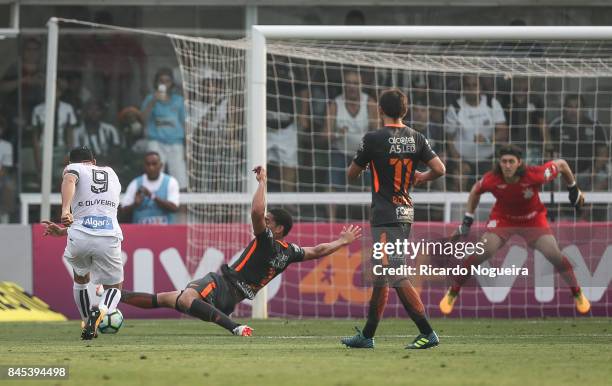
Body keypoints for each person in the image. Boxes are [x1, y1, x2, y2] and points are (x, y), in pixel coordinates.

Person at [119, 166, 362, 336]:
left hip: (222, 284)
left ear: (277, 229)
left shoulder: (267, 241)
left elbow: (256, 212)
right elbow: (317, 250)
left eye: (269, 221)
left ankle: (234, 327)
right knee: (164, 298)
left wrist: (263, 183)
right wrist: (341, 242)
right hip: (230, 300)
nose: (264, 222)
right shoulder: (289, 252)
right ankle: (115, 296)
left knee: (185, 298)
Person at [341, 88, 446, 350]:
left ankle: (427, 332)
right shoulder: (417, 137)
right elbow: (440, 169)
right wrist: (420, 177)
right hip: (405, 211)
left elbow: (351, 174)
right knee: (382, 275)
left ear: (379, 110)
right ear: (405, 111)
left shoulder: (373, 138)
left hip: (385, 213)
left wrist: (366, 163)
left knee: (395, 272)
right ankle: (366, 335)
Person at [439, 145, 590, 315]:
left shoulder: (535, 175)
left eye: (511, 161)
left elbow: (561, 164)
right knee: (482, 251)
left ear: (519, 163)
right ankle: (453, 291)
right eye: (504, 161)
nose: (507, 165)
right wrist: (467, 219)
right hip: (503, 219)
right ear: (499, 163)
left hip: (532, 220)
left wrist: (573, 188)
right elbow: (475, 190)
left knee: (554, 255)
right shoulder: (492, 179)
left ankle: (577, 293)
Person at [41, 146, 124, 340]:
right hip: (108, 234)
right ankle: (101, 310)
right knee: (114, 288)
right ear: (93, 161)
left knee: (80, 279)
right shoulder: (111, 173)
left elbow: (70, 179)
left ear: (70, 162)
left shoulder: (73, 168)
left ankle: (87, 320)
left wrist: (65, 210)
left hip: (79, 236)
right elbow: (98, 208)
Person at [445, 74, 508, 191]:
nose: (471, 89)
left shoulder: (491, 103)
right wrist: (459, 163)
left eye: (475, 85)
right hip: (463, 160)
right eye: (468, 86)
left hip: (488, 159)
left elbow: (503, 132)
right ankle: (461, 209)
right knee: (459, 182)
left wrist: (487, 140)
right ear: (463, 88)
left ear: (481, 87)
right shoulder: (455, 107)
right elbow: (449, 138)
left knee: (492, 187)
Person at [325, 69, 378, 190]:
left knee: (373, 183)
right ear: (344, 85)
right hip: (340, 151)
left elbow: (378, 133)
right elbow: (324, 135)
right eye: (348, 83)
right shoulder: (335, 104)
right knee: (332, 183)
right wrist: (337, 134)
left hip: (364, 153)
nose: (352, 87)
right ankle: (331, 209)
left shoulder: (370, 103)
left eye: (355, 83)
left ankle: (371, 208)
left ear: (361, 84)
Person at [141, 67, 188, 190]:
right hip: (156, 141)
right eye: (161, 81)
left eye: (167, 81)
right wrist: (153, 101)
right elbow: (142, 119)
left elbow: (185, 123)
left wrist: (186, 145)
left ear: (172, 83)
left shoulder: (179, 100)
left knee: (180, 178)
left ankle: (180, 207)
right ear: (156, 83)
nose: (164, 84)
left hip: (175, 142)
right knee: (154, 175)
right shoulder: (150, 99)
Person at [549, 94, 609, 188]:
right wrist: (560, 171)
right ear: (564, 109)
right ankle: (562, 202)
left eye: (577, 107)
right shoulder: (556, 126)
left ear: (583, 109)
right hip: (563, 172)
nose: (573, 110)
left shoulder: (595, 126)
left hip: (590, 171)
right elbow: (549, 152)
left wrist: (594, 170)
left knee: (603, 178)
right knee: (552, 179)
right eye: (570, 107)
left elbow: (603, 153)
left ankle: (590, 203)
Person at [120, 151, 180, 225]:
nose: (151, 167)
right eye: (148, 164)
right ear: (144, 166)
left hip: (165, 232)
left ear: (161, 165)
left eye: (154, 164)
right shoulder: (135, 183)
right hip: (141, 233)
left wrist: (152, 196)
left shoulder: (171, 182)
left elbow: (174, 208)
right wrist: (135, 204)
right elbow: (123, 210)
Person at [72, 99, 121, 165]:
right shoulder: (77, 132)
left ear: (102, 112)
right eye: (90, 109)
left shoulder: (110, 130)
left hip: (108, 167)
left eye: (97, 110)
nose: (94, 112)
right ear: (85, 112)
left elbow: (116, 154)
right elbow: (77, 156)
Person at [0, 116, 15, 223]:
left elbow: (5, 169)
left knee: (8, 185)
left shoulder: (6, 146)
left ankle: (4, 217)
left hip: (1, 177)